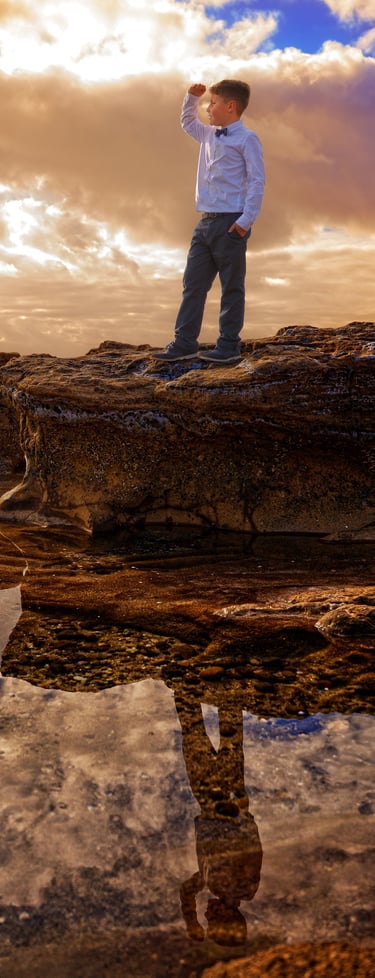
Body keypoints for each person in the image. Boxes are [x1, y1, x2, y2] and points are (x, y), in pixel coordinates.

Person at [153, 79, 265, 365]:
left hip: (231, 223)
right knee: (193, 284)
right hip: (204, 222)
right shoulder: (208, 135)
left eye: (212, 103)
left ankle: (228, 346)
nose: (208, 107)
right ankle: (184, 343)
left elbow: (256, 180)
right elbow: (187, 122)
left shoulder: (247, 139)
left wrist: (245, 221)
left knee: (231, 287)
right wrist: (191, 98)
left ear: (230, 106)